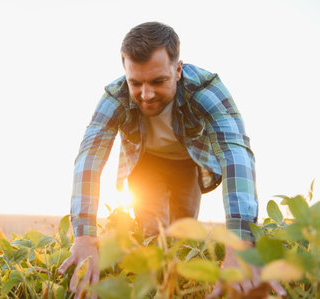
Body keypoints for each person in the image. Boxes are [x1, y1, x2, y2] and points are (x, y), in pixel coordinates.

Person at [58, 21, 285, 298]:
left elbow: (235, 154)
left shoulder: (206, 89)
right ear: (126, 74)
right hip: (144, 161)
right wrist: (84, 238)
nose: (146, 94)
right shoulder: (114, 96)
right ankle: (155, 285)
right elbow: (89, 157)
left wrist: (240, 247)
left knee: (183, 232)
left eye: (158, 81)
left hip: (187, 161)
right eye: (136, 83)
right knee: (153, 231)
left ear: (177, 70)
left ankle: (181, 283)